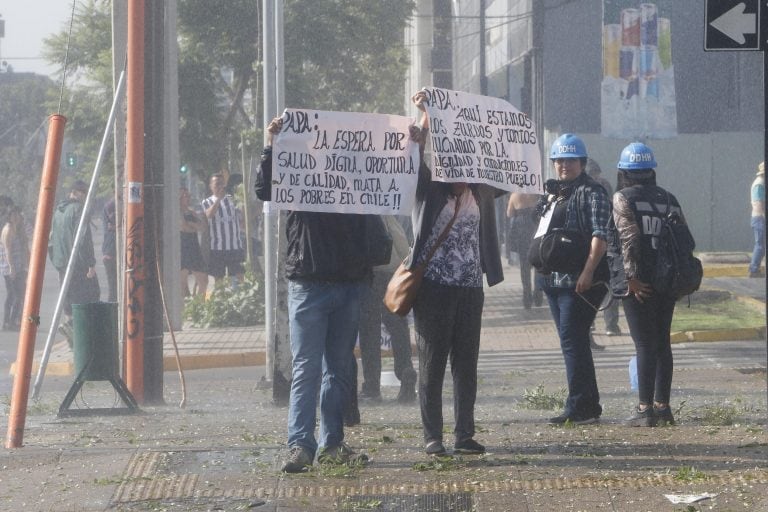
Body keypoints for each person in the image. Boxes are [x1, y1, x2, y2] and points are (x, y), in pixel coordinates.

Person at [256, 117, 371, 473]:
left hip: (346, 283)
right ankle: (301, 444)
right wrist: (271, 145)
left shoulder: (357, 177)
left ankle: (331, 444)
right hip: (309, 282)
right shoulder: (296, 173)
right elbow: (264, 189)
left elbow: (395, 182)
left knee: (337, 369)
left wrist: (415, 141)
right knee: (308, 367)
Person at [408, 91, 504, 456]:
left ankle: (464, 434)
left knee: (466, 365)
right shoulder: (430, 191)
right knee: (432, 366)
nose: (463, 171)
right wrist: (427, 120)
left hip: (469, 290)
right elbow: (412, 164)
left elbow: (509, 169)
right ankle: (433, 436)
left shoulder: (481, 193)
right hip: (433, 290)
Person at [534, 134, 610, 425]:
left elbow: (600, 235)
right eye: (559, 160)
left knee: (573, 340)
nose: (564, 165)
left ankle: (580, 406)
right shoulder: (554, 193)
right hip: (553, 281)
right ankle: (587, 404)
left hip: (579, 282)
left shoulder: (593, 192)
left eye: (570, 160)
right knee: (572, 341)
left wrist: (588, 272)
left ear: (582, 162)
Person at [610, 142, 682, 427]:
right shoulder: (669, 198)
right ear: (650, 171)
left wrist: (630, 279)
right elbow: (683, 239)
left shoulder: (623, 198)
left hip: (640, 283)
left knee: (644, 345)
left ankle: (644, 409)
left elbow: (628, 239)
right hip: (667, 282)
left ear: (625, 172)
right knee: (662, 342)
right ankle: (663, 407)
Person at [356, 215, 417, 404]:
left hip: (368, 273)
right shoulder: (385, 210)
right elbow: (400, 239)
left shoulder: (360, 207)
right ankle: (405, 369)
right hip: (391, 273)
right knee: (397, 324)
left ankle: (372, 386)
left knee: (369, 331)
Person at [49, 180, 100, 347]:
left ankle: (69, 328)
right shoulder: (79, 210)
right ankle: (81, 335)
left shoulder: (58, 211)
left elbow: (51, 241)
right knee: (90, 295)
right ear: (77, 192)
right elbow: (84, 239)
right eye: (85, 193)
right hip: (78, 263)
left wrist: (57, 262)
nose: (86, 197)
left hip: (62, 263)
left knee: (69, 298)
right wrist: (90, 264)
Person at [586, 158, 622, 344]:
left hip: (590, 245)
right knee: (610, 287)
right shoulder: (605, 186)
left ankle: (590, 324)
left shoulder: (583, 188)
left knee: (590, 286)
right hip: (609, 242)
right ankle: (611, 325)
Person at [202, 173, 245, 287]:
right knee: (219, 280)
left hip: (235, 247)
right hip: (217, 248)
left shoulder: (233, 200)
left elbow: (242, 219)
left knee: (239, 278)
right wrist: (218, 200)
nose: (220, 186)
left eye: (222, 183)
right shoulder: (207, 202)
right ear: (211, 186)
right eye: (217, 184)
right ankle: (221, 301)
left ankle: (239, 300)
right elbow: (209, 215)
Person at [506, 191, 543, 309]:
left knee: (524, 267)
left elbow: (509, 213)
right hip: (536, 227)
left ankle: (527, 297)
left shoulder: (515, 195)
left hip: (521, 229)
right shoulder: (537, 193)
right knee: (538, 263)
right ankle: (538, 294)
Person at [0, 206, 29, 331]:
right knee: (13, 295)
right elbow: (7, 250)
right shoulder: (8, 229)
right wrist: (11, 267)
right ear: (9, 216)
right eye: (12, 215)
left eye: (17, 214)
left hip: (20, 265)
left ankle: (15, 320)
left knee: (21, 293)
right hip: (10, 267)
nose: (15, 217)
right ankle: (8, 321)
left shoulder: (18, 229)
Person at [180, 186, 208, 297]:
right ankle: (183, 310)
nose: (188, 198)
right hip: (182, 247)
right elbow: (183, 226)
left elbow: (203, 227)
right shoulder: (178, 211)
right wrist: (193, 226)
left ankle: (198, 306)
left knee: (203, 280)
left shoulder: (191, 212)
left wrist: (192, 225)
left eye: (189, 196)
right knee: (182, 282)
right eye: (185, 196)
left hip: (194, 247)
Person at [748, 161, 765, 278]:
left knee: (761, 244)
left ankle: (755, 268)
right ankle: (753, 269)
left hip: (759, 217)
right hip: (760, 218)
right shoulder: (760, 184)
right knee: (760, 244)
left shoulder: (761, 183)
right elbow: (759, 203)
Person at [102, 198, 118, 302]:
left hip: (109, 250)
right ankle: (113, 313)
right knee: (113, 288)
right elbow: (111, 224)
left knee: (114, 287)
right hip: (111, 251)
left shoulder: (110, 205)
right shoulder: (111, 205)